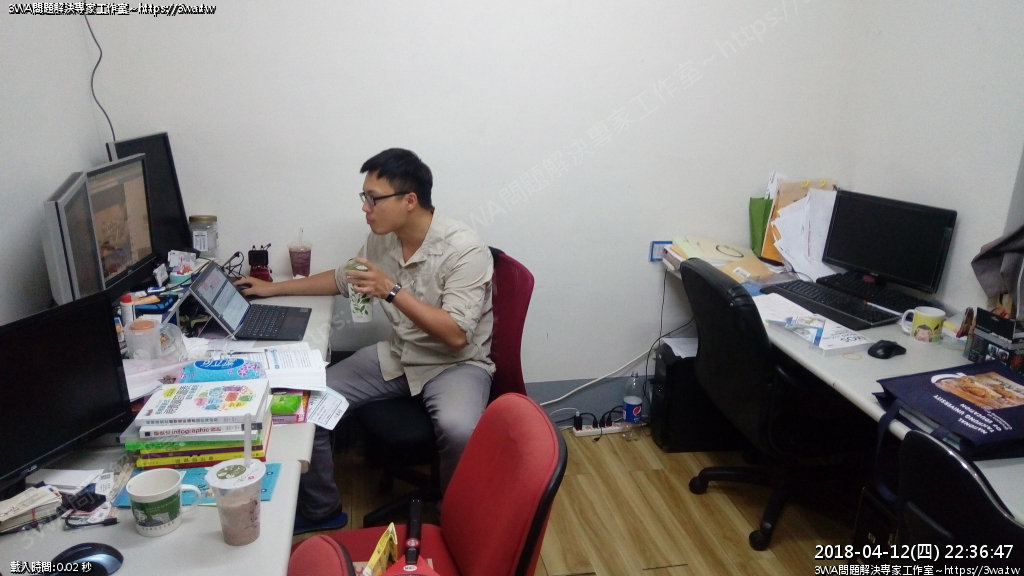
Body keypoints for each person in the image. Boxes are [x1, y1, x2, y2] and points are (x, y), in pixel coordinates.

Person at [234, 148, 494, 533]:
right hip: (401, 355)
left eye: (373, 198)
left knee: (459, 429)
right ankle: (322, 509)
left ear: (409, 200)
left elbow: (456, 335)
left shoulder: (465, 249)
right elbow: (343, 279)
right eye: (364, 197)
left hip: (455, 364)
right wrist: (271, 289)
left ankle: (455, 522)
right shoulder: (383, 239)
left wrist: (392, 290)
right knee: (303, 403)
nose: (365, 208)